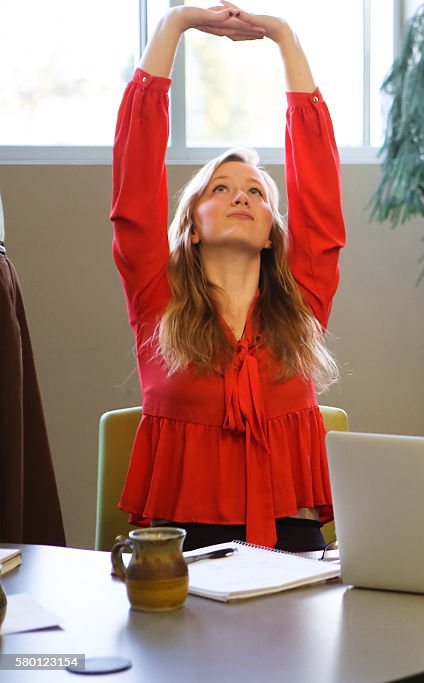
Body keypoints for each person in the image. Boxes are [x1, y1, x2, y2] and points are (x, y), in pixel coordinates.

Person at [110, 2, 344, 552]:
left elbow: (321, 200)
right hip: (182, 548)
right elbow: (134, 183)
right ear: (190, 226)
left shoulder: (303, 305)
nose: (241, 194)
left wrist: (285, 39)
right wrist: (174, 25)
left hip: (294, 543)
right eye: (220, 188)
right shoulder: (157, 297)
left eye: (257, 191)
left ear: (271, 234)